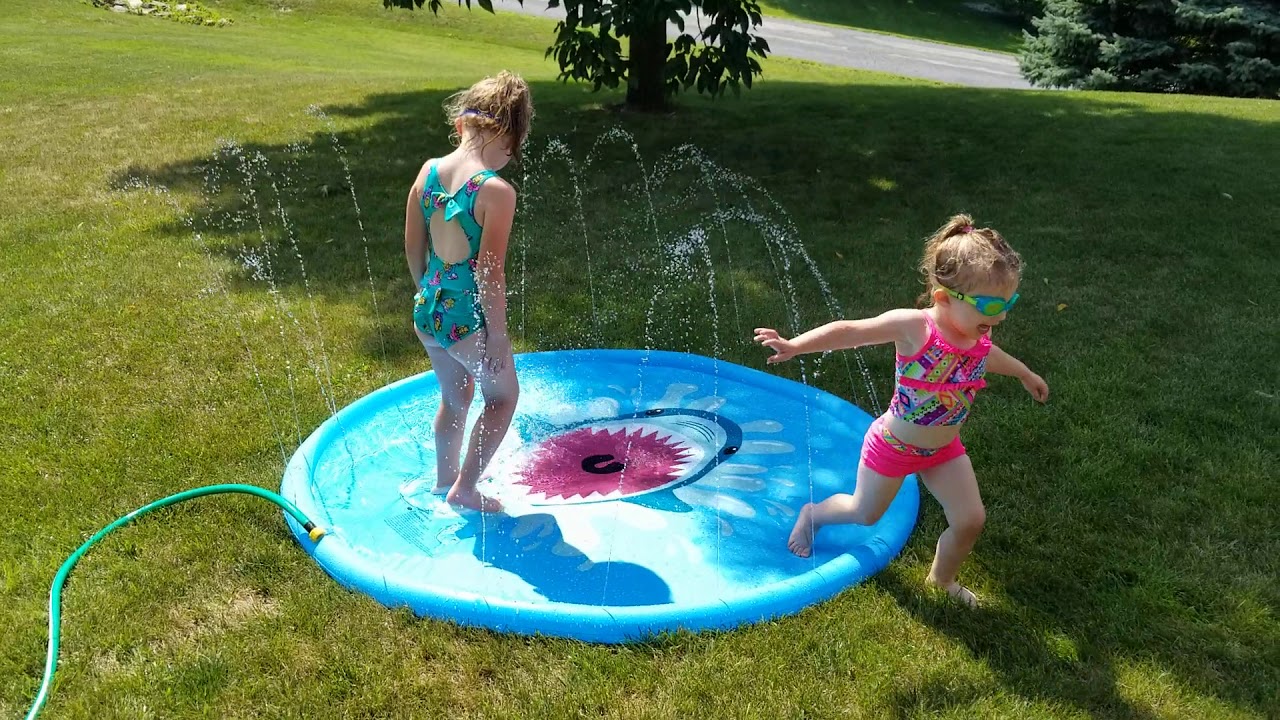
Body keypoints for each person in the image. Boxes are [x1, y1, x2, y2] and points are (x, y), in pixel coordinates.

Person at [754, 213, 1048, 606]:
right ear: (945, 298)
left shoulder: (977, 331)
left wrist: (1024, 373)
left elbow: (984, 356)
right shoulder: (915, 328)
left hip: (944, 450)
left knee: (971, 520)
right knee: (864, 513)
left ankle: (941, 580)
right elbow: (850, 331)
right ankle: (812, 515)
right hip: (893, 445)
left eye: (1009, 301)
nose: (1001, 316)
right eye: (993, 304)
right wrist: (795, 345)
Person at [404, 72, 533, 513]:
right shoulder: (495, 192)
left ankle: (443, 482)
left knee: (455, 396)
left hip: (428, 310)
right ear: (505, 134)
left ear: (463, 125)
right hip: (466, 317)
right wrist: (496, 335)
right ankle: (465, 488)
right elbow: (490, 275)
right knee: (503, 397)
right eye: (512, 150)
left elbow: (413, 246)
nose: (508, 160)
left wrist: (426, 293)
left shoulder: (428, 170)